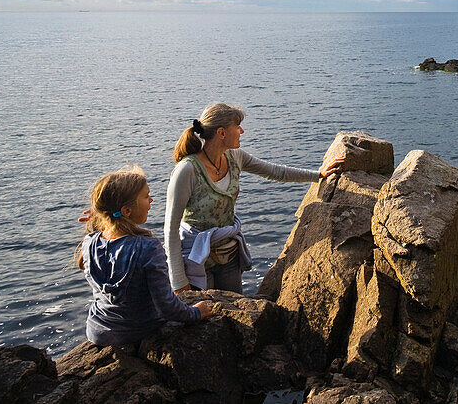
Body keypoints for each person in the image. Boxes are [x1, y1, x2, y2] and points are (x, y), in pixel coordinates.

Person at [165, 103, 345, 294]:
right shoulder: (187, 170)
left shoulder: (235, 157)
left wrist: (317, 175)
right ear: (221, 133)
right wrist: (178, 281)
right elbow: (170, 228)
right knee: (204, 316)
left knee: (233, 313)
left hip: (229, 257)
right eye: (237, 126)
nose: (242, 131)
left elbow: (276, 172)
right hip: (196, 259)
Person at [77, 166, 212, 347]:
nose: (151, 200)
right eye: (145, 196)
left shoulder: (90, 242)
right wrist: (196, 313)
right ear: (126, 211)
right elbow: (166, 307)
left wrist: (102, 218)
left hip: (98, 330)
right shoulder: (148, 247)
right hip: (137, 330)